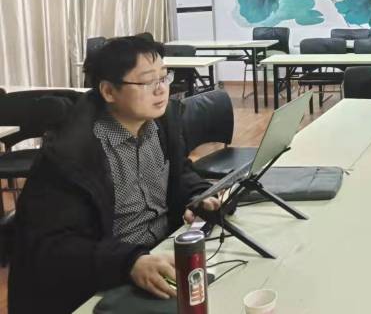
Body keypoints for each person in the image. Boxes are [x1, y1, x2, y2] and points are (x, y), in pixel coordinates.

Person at [10, 36, 221, 313]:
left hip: (162, 256)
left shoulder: (161, 123)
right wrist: (129, 262)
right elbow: (51, 246)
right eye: (147, 82)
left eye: (164, 77)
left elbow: (179, 173)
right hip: (103, 280)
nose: (161, 90)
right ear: (109, 91)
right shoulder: (71, 154)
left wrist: (198, 194)